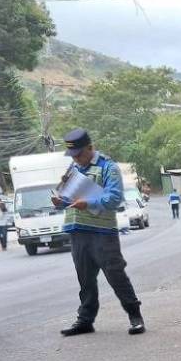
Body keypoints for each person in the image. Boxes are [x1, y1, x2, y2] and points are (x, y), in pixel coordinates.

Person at [51, 128, 145, 336]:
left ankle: (135, 315)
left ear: (90, 148)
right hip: (77, 231)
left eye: (79, 155)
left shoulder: (108, 167)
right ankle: (85, 320)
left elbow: (114, 199)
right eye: (73, 156)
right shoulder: (73, 168)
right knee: (85, 280)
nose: (76, 159)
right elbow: (68, 198)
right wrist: (60, 201)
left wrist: (89, 203)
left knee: (115, 275)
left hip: (103, 233)